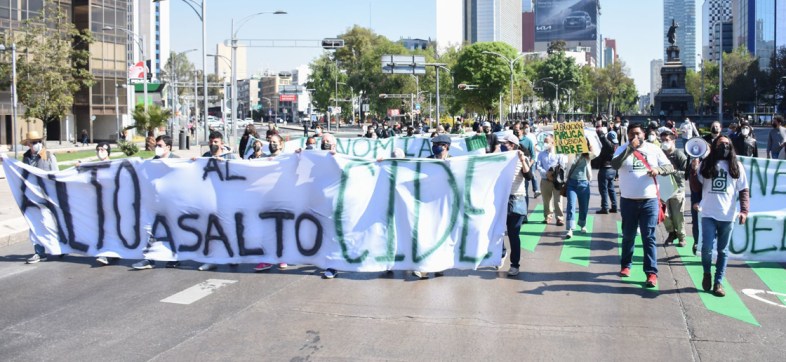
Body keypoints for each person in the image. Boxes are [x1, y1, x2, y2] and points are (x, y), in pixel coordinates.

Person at [611, 123, 674, 288]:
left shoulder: (654, 149)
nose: (635, 137)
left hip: (649, 201)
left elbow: (669, 166)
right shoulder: (622, 149)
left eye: (638, 134)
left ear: (644, 134)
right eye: (631, 134)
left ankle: (651, 273)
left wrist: (657, 170)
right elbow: (615, 165)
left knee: (649, 237)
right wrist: (629, 149)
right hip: (628, 201)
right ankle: (626, 265)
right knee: (628, 235)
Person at [689, 135, 749, 297]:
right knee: (707, 248)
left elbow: (743, 191)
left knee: (723, 251)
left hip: (727, 216)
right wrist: (693, 171)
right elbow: (696, 187)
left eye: (727, 144)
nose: (724, 147)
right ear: (714, 146)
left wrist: (744, 211)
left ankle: (718, 282)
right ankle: (707, 272)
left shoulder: (737, 166)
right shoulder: (706, 164)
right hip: (709, 213)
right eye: (721, 144)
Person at [196, 131, 237, 272]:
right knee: (210, 231)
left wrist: (226, 164)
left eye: (216, 142)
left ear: (222, 143)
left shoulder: (231, 157)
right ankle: (211, 259)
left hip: (228, 199)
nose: (213, 144)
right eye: (211, 141)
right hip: (209, 199)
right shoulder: (205, 157)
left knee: (229, 230)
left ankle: (232, 256)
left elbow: (240, 173)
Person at [18, 131, 58, 264]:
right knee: (34, 223)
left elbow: (55, 175)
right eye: (32, 143)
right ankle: (39, 252)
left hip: (47, 196)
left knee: (50, 223)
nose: (35, 145)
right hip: (31, 197)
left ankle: (60, 247)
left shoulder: (49, 156)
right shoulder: (26, 157)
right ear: (28, 144)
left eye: (37, 142)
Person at [500, 133, 531, 277]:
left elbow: (528, 176)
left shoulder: (521, 158)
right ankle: (500, 255)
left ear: (512, 145)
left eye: (505, 143)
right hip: (501, 200)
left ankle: (514, 264)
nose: (502, 146)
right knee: (497, 232)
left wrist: (522, 159)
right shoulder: (500, 158)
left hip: (516, 199)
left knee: (513, 235)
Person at [659, 129, 688, 247]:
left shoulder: (679, 155)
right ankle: (671, 232)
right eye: (662, 140)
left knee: (678, 215)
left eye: (667, 140)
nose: (664, 142)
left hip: (677, 189)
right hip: (663, 188)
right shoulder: (660, 153)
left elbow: (686, 172)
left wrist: (674, 172)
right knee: (663, 213)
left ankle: (681, 237)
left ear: (673, 141)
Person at [564, 139, 595, 239]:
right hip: (571, 183)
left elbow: (594, 154)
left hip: (584, 183)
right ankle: (570, 229)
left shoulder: (587, 155)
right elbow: (564, 160)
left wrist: (590, 148)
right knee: (571, 205)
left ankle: (582, 224)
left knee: (584, 206)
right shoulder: (570, 153)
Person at [537, 135, 567, 226]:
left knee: (558, 200)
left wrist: (554, 175)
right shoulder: (541, 154)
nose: (545, 144)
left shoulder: (559, 153)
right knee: (546, 200)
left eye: (547, 142)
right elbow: (538, 166)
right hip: (545, 180)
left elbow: (562, 166)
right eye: (544, 142)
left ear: (553, 142)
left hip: (556, 181)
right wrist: (546, 173)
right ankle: (547, 217)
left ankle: (559, 218)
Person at [596, 125, 618, 214]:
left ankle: (605, 207)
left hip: (605, 169)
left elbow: (603, 139)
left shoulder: (609, 145)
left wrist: (600, 132)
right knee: (611, 188)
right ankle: (614, 206)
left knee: (603, 189)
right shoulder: (616, 145)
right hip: (612, 169)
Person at [519, 122, 541, 198]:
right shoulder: (519, 138)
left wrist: (531, 160)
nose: (527, 128)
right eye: (525, 127)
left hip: (531, 160)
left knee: (533, 174)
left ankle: (536, 190)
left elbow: (534, 147)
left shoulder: (532, 136)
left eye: (528, 127)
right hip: (523, 162)